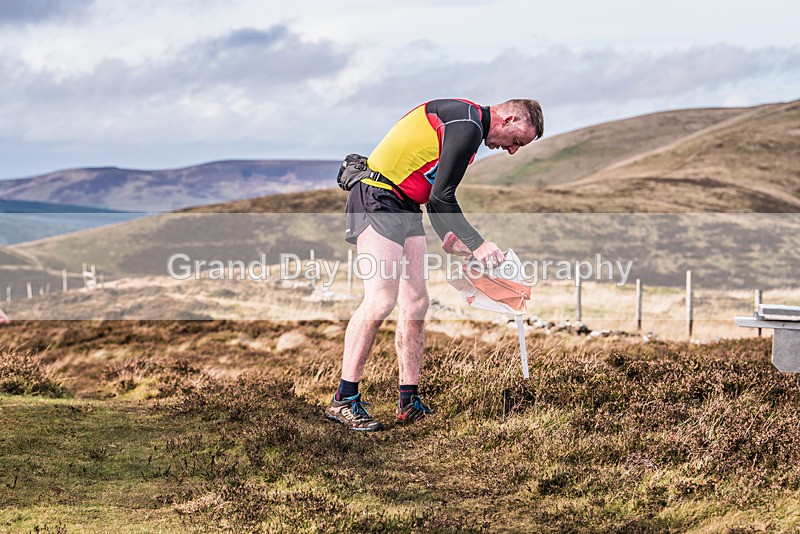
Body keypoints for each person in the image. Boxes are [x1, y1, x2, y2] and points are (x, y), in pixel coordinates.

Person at [325, 98, 543, 431]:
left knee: (416, 303)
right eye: (517, 141)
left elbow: (435, 192)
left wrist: (451, 237)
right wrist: (477, 244)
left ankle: (408, 402)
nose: (512, 150)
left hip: (405, 204)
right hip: (377, 195)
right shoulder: (467, 124)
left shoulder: (470, 130)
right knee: (381, 299)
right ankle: (343, 399)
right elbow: (443, 196)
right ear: (509, 118)